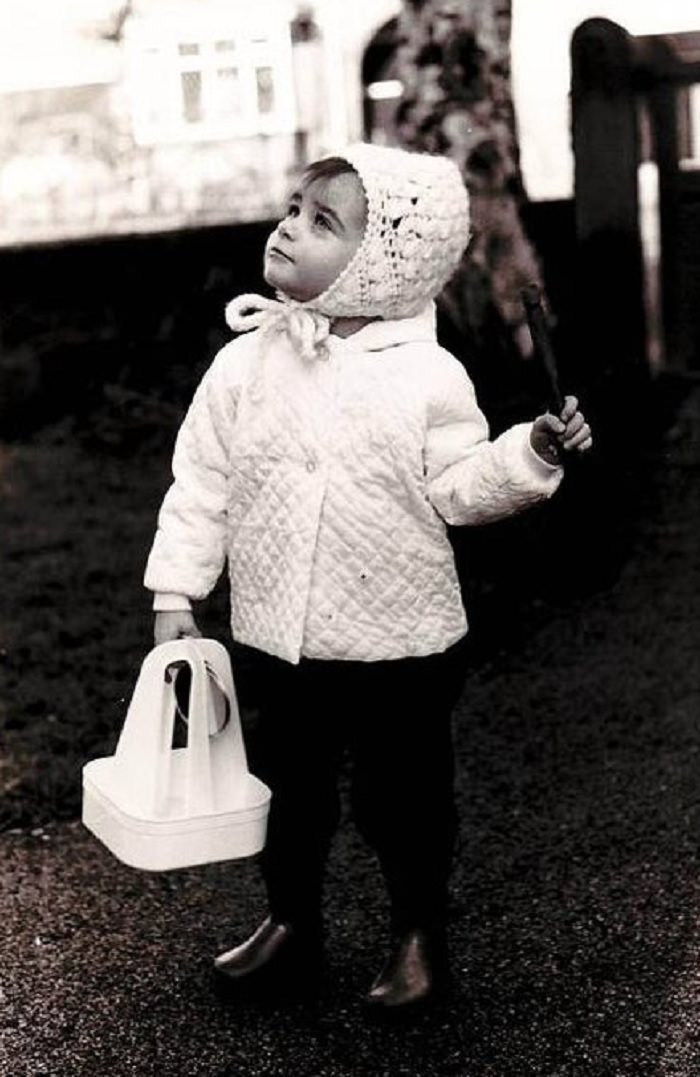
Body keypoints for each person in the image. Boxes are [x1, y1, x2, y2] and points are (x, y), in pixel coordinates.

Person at [144, 144, 592, 1014]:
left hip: (402, 638)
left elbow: (461, 489)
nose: (288, 228)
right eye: (293, 208)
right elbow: (201, 482)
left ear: (381, 263)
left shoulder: (427, 376)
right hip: (281, 631)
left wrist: (530, 452)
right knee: (285, 790)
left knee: (406, 796)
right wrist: (176, 591)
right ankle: (290, 923)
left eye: (323, 222)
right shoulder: (246, 364)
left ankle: (418, 936)